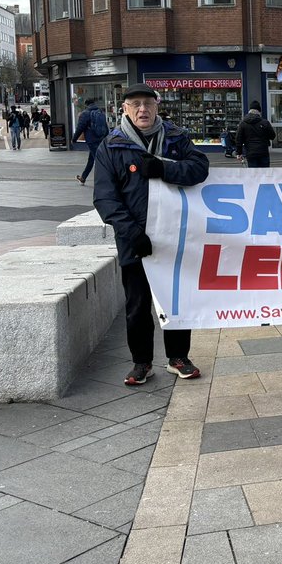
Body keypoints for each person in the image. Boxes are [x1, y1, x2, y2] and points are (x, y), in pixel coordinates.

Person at [93, 83, 210, 386]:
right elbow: (105, 198)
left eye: (147, 103)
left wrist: (163, 169)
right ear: (125, 109)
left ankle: (178, 357)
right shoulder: (111, 145)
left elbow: (200, 168)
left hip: (174, 237)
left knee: (175, 300)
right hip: (136, 240)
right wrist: (132, 233)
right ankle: (141, 362)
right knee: (137, 305)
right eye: (135, 105)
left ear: (157, 106)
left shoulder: (176, 138)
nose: (142, 110)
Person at [74, 97, 111, 185]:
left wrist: (74, 139)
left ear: (86, 104)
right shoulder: (100, 112)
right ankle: (83, 177)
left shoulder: (85, 113)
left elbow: (80, 128)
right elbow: (105, 126)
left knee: (99, 160)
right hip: (101, 138)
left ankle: (109, 180)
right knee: (91, 159)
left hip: (91, 140)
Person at [236, 100, 276, 167]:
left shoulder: (243, 123)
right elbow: (273, 136)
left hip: (250, 153)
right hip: (263, 152)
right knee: (265, 174)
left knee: (253, 174)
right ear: (259, 111)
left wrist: (239, 153)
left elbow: (238, 139)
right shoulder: (265, 122)